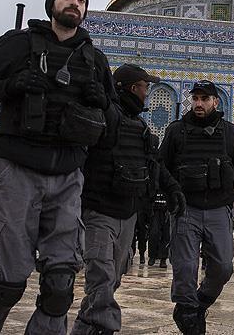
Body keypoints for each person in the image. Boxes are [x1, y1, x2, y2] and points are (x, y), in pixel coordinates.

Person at [0, 0, 116, 335]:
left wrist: (103, 101)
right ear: (52, 3)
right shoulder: (18, 46)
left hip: (68, 176)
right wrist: (10, 85)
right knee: (5, 286)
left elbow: (114, 122)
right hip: (20, 171)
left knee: (60, 287)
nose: (74, 3)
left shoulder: (95, 59)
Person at [72, 64, 186, 335]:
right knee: (100, 275)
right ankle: (105, 327)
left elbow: (154, 165)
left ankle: (83, 328)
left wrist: (172, 189)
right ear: (135, 88)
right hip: (99, 209)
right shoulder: (104, 115)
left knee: (112, 279)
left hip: (128, 212)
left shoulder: (139, 125)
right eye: (146, 87)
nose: (148, 93)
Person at [158, 79, 234, 335]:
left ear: (216, 101)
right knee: (184, 267)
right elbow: (160, 167)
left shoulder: (230, 133)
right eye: (196, 98)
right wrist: (170, 193)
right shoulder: (176, 131)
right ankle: (188, 312)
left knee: (224, 266)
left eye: (205, 99)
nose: (199, 103)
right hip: (187, 210)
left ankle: (201, 300)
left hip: (219, 209)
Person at [148, 190, 171, 268]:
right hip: (155, 210)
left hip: (167, 210)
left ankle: (163, 258)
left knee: (166, 235)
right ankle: (152, 256)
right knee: (153, 233)